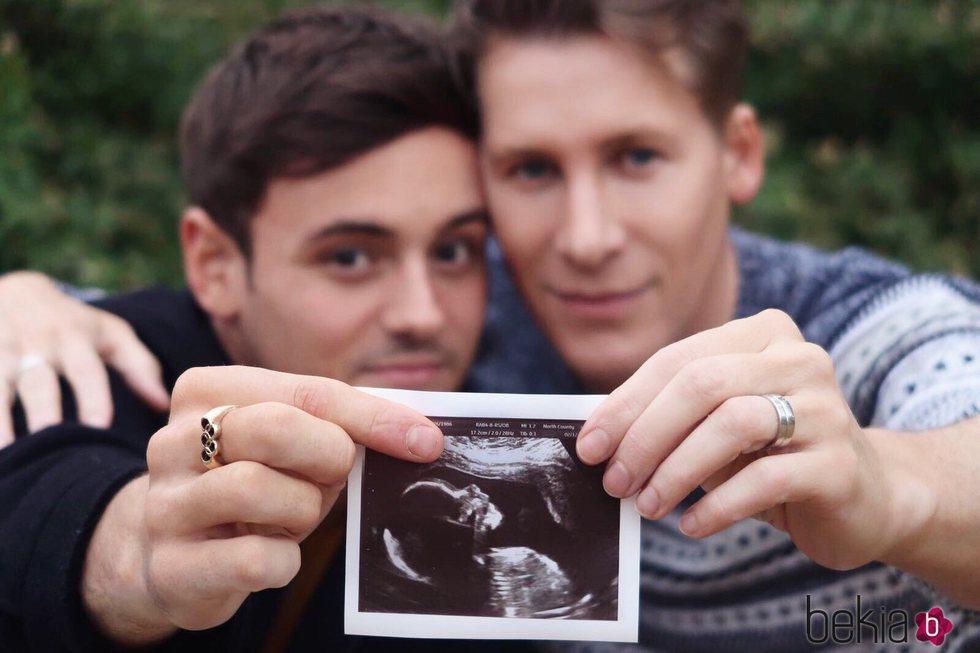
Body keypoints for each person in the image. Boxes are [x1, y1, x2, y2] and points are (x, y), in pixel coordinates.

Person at [4, 0, 980, 650]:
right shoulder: (463, 326)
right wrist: (23, 301)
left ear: (734, 153)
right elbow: (124, 383)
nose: (585, 239)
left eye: (635, 156)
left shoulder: (873, 331)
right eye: (530, 171)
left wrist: (888, 486)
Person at [0, 5, 511, 652]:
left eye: (454, 250)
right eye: (349, 257)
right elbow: (41, 493)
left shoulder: (515, 382)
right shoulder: (75, 368)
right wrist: (138, 562)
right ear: (214, 263)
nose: (423, 313)